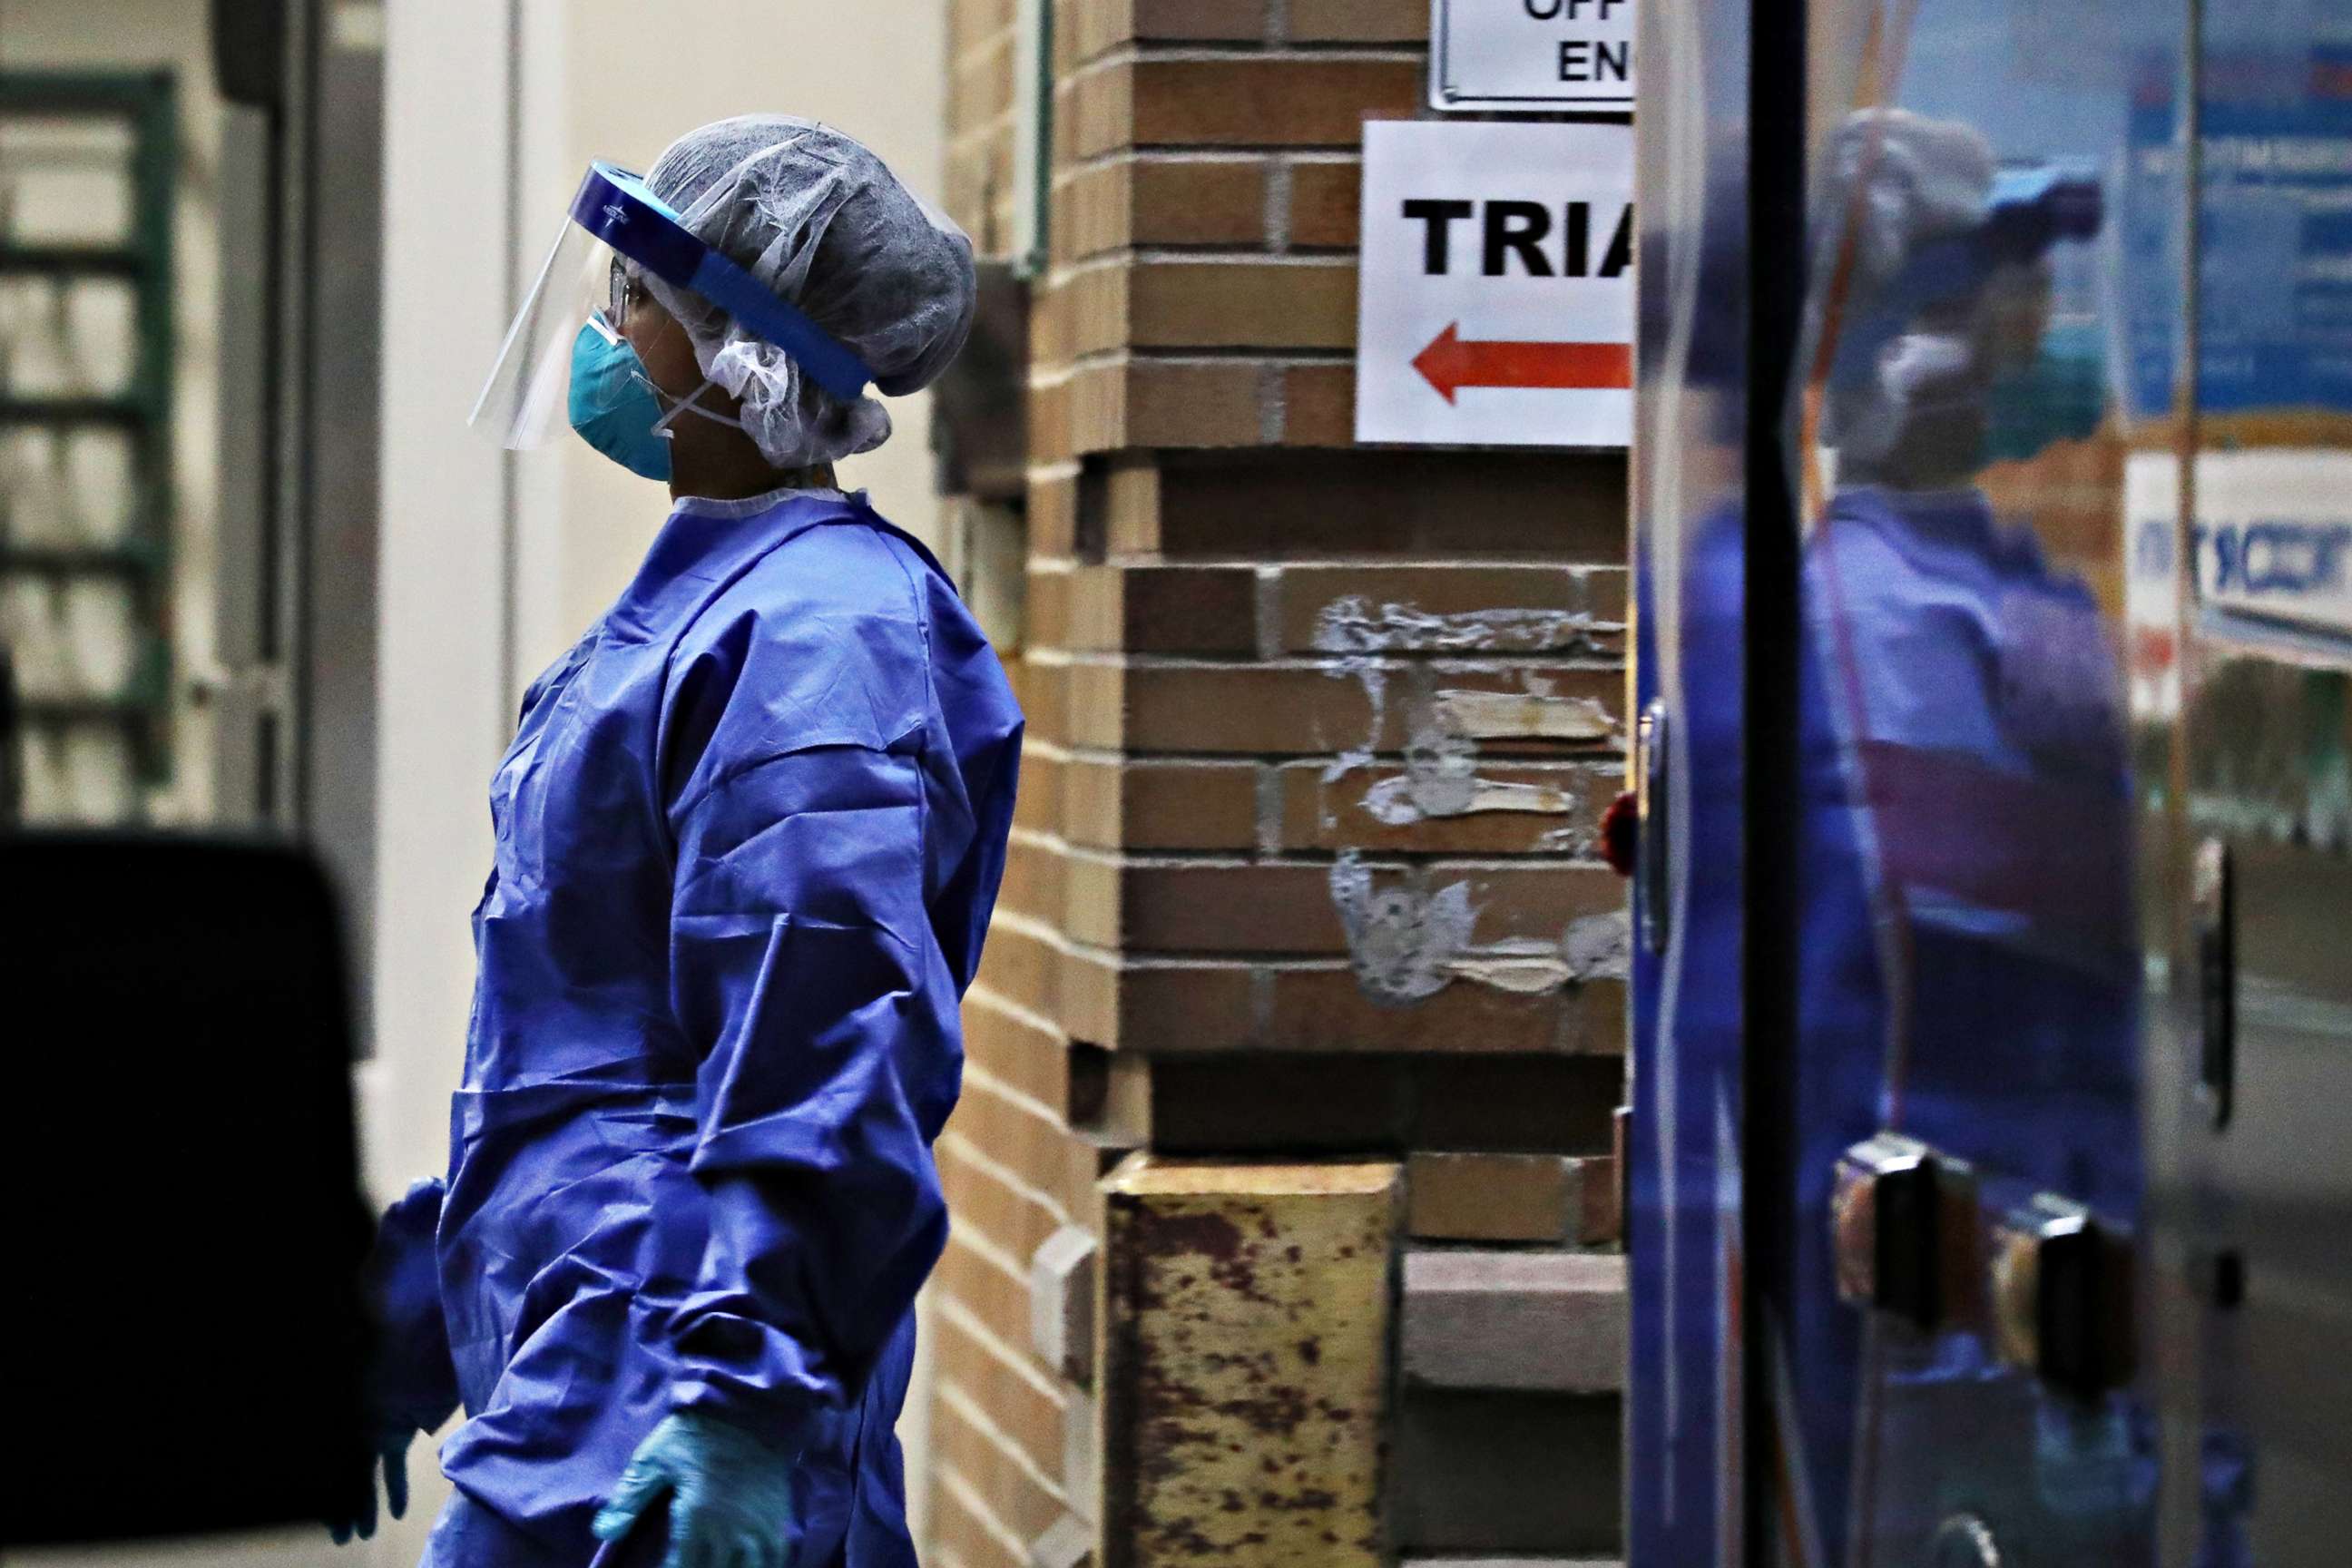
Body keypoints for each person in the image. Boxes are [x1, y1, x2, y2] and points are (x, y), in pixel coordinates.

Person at [333, 116, 1023, 1568]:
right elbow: (573, 1022)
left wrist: (742, 1394)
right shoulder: (714, 605)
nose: (607, 331)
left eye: (636, 296)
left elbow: (824, 1026)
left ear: (747, 350)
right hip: (592, 1338)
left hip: (673, 1366)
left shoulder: (820, 642)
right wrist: (418, 1297)